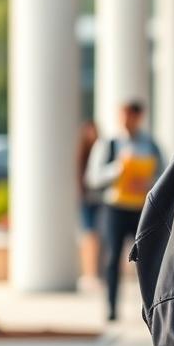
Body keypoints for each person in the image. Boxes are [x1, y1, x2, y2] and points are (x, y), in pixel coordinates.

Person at [84, 102, 161, 321]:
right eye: (125, 115)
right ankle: (111, 307)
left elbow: (164, 173)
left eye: (133, 116)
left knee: (148, 260)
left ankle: (152, 308)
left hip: (142, 208)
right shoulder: (108, 144)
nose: (129, 121)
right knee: (112, 258)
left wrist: (148, 182)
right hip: (115, 209)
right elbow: (92, 178)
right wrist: (118, 169)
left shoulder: (150, 144)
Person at [76, 119, 100, 279]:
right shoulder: (82, 155)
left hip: (99, 200)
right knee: (89, 236)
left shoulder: (102, 150)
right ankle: (90, 272)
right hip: (87, 200)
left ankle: (96, 271)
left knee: (98, 237)